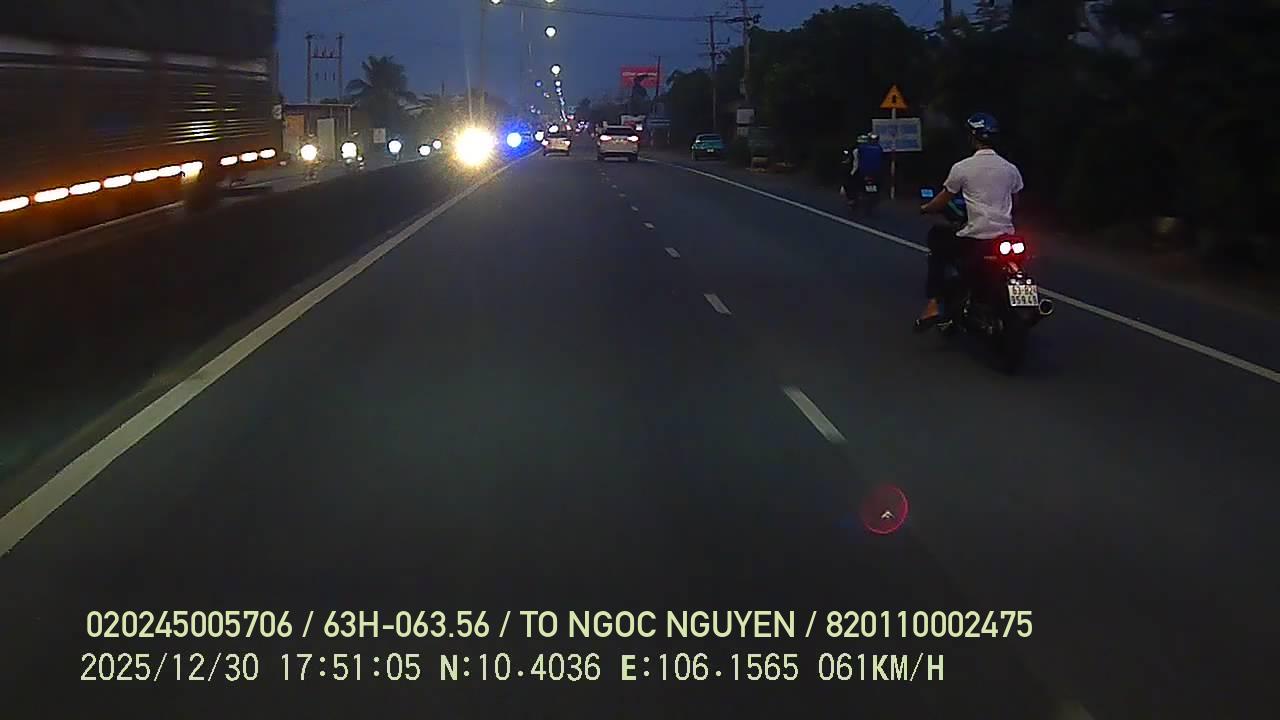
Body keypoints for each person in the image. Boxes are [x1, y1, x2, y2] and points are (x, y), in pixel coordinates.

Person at [915, 112, 1024, 330]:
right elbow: (1016, 201)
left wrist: (925, 208)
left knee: (937, 239)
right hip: (1005, 235)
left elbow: (942, 200)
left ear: (972, 138)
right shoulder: (1010, 169)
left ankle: (934, 304)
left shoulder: (963, 168)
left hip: (975, 237)